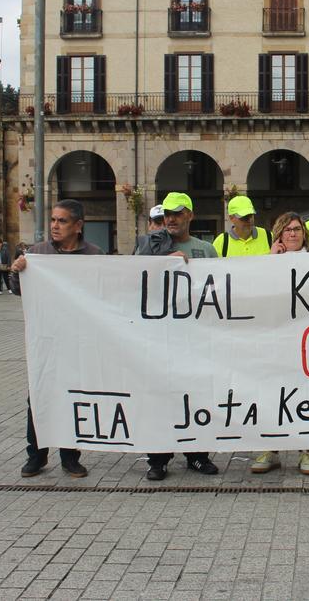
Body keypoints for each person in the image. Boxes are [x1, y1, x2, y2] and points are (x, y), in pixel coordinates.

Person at [10, 199, 100, 479]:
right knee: (38, 396)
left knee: (73, 396)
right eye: (53, 220)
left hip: (77, 340)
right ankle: (36, 455)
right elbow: (19, 290)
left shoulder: (94, 255)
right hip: (46, 340)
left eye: (62, 221)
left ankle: (70, 457)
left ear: (78, 226)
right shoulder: (38, 254)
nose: (55, 226)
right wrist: (17, 272)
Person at [135, 192, 220, 479]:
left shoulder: (206, 249)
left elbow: (220, 290)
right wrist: (163, 258)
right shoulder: (149, 244)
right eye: (166, 214)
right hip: (160, 336)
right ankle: (158, 459)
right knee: (160, 395)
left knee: (196, 395)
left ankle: (197, 455)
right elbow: (134, 276)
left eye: (177, 213)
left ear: (190, 216)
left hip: (194, 337)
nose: (170, 218)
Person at [250, 212, 309, 476]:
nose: (293, 234)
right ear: (279, 234)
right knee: (272, 391)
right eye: (288, 230)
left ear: (304, 234)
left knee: (304, 394)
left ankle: (306, 450)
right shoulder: (269, 261)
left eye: (297, 229)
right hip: (275, 338)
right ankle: (271, 447)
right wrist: (271, 260)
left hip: (306, 338)